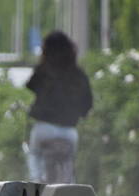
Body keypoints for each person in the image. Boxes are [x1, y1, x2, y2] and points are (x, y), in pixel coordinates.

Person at [25, 31, 93, 183]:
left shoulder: (43, 70)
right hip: (69, 132)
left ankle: (36, 184)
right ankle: (69, 188)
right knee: (69, 164)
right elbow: (87, 105)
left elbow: (30, 85)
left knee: (34, 155)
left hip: (43, 129)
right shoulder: (78, 74)